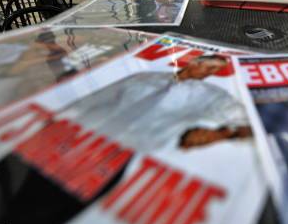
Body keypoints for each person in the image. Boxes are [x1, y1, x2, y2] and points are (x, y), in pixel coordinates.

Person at [57, 55, 253, 152]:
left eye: (212, 71)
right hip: (81, 131)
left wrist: (231, 131)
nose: (208, 73)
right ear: (193, 63)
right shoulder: (145, 76)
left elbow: (236, 113)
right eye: (208, 66)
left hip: (125, 150)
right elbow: (99, 98)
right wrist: (63, 116)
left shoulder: (208, 94)